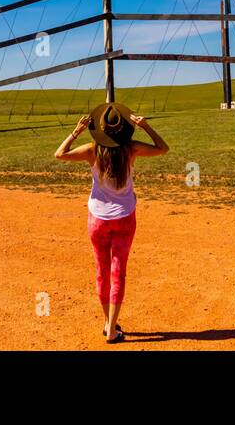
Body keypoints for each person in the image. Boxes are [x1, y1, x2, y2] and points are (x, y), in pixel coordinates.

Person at [54, 103, 168, 343]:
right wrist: (146, 126)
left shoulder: (91, 150)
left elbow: (60, 154)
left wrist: (76, 132)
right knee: (119, 272)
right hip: (125, 216)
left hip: (97, 218)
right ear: (124, 129)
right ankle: (112, 328)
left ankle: (108, 323)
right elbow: (163, 148)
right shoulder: (131, 149)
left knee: (102, 271)